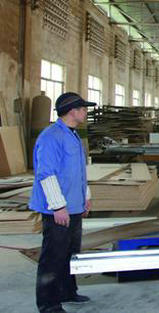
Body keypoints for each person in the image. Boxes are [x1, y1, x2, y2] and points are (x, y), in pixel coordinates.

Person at [29, 92, 95, 313]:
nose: (85, 112)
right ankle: (48, 303)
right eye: (83, 109)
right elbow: (46, 174)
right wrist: (58, 206)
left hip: (74, 206)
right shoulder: (51, 137)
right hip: (58, 209)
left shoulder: (73, 135)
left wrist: (86, 196)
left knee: (70, 253)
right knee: (53, 256)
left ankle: (68, 291)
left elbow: (79, 170)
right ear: (72, 111)